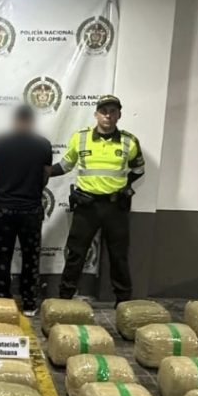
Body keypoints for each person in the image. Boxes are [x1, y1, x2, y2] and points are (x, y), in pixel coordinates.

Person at [49, 94, 145, 304]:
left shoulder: (129, 141)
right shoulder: (80, 138)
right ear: (96, 115)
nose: (108, 116)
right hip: (87, 207)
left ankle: (123, 303)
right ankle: (64, 299)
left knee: (118, 256)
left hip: (115, 207)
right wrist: (42, 172)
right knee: (76, 254)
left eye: (113, 111)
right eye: (104, 111)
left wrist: (124, 186)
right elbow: (65, 165)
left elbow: (139, 170)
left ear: (119, 115)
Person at [0, 104, 52, 316]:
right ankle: (29, 303)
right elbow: (45, 177)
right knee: (31, 258)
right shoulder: (43, 145)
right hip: (30, 210)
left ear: (15, 120)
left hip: (4, 209)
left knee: (2, 257)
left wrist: (8, 190)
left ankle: (2, 299)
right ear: (32, 121)